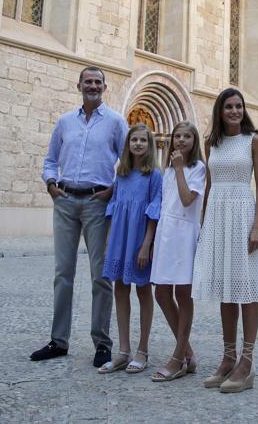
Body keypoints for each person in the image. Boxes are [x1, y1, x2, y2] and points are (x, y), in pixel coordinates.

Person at [31, 66, 128, 367]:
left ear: (105, 87)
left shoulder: (115, 122)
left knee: (101, 276)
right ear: (79, 86)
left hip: (98, 203)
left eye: (98, 82)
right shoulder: (63, 123)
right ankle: (59, 341)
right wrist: (50, 184)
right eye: (88, 81)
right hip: (65, 201)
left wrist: (113, 190)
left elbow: (129, 161)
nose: (93, 86)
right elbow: (50, 160)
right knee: (63, 274)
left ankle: (102, 343)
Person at [192, 88, 258, 393]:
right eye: (228, 106)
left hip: (243, 218)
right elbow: (209, 186)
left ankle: (247, 360)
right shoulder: (211, 143)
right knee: (226, 289)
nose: (234, 111)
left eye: (239, 106)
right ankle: (228, 357)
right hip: (218, 219)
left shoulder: (254, 141)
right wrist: (204, 226)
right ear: (220, 110)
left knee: (248, 287)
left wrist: (256, 226)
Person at [97, 123, 163, 374]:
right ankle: (123, 350)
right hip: (120, 239)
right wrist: (109, 241)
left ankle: (142, 350)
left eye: (143, 141)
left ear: (149, 145)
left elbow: (154, 213)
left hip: (140, 241)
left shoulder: (154, 176)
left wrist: (146, 245)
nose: (137, 144)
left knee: (143, 291)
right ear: (128, 145)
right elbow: (113, 207)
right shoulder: (121, 174)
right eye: (133, 140)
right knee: (120, 289)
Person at [150, 121, 206, 383]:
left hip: (184, 235)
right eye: (177, 136)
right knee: (161, 292)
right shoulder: (169, 170)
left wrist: (181, 168)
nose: (181, 140)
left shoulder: (197, 169)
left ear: (194, 142)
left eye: (187, 137)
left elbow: (187, 200)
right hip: (166, 232)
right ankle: (188, 353)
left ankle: (178, 357)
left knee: (183, 293)